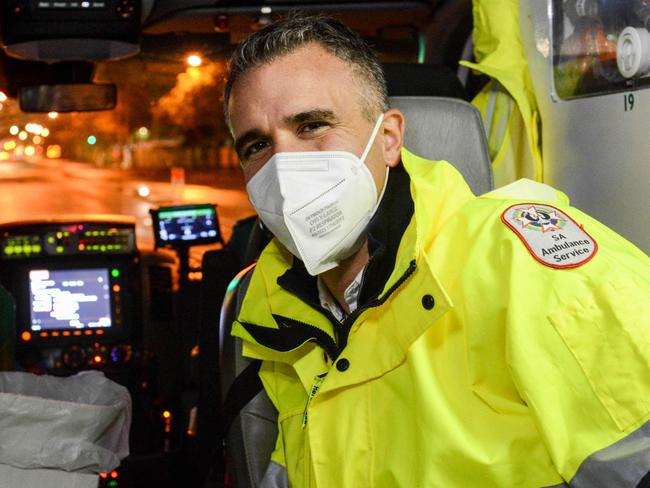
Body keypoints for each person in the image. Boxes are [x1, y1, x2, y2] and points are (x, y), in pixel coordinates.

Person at [224, 14, 650, 488]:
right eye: (257, 145)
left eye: (311, 125)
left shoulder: (522, 261)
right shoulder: (273, 310)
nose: (285, 167)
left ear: (388, 140)